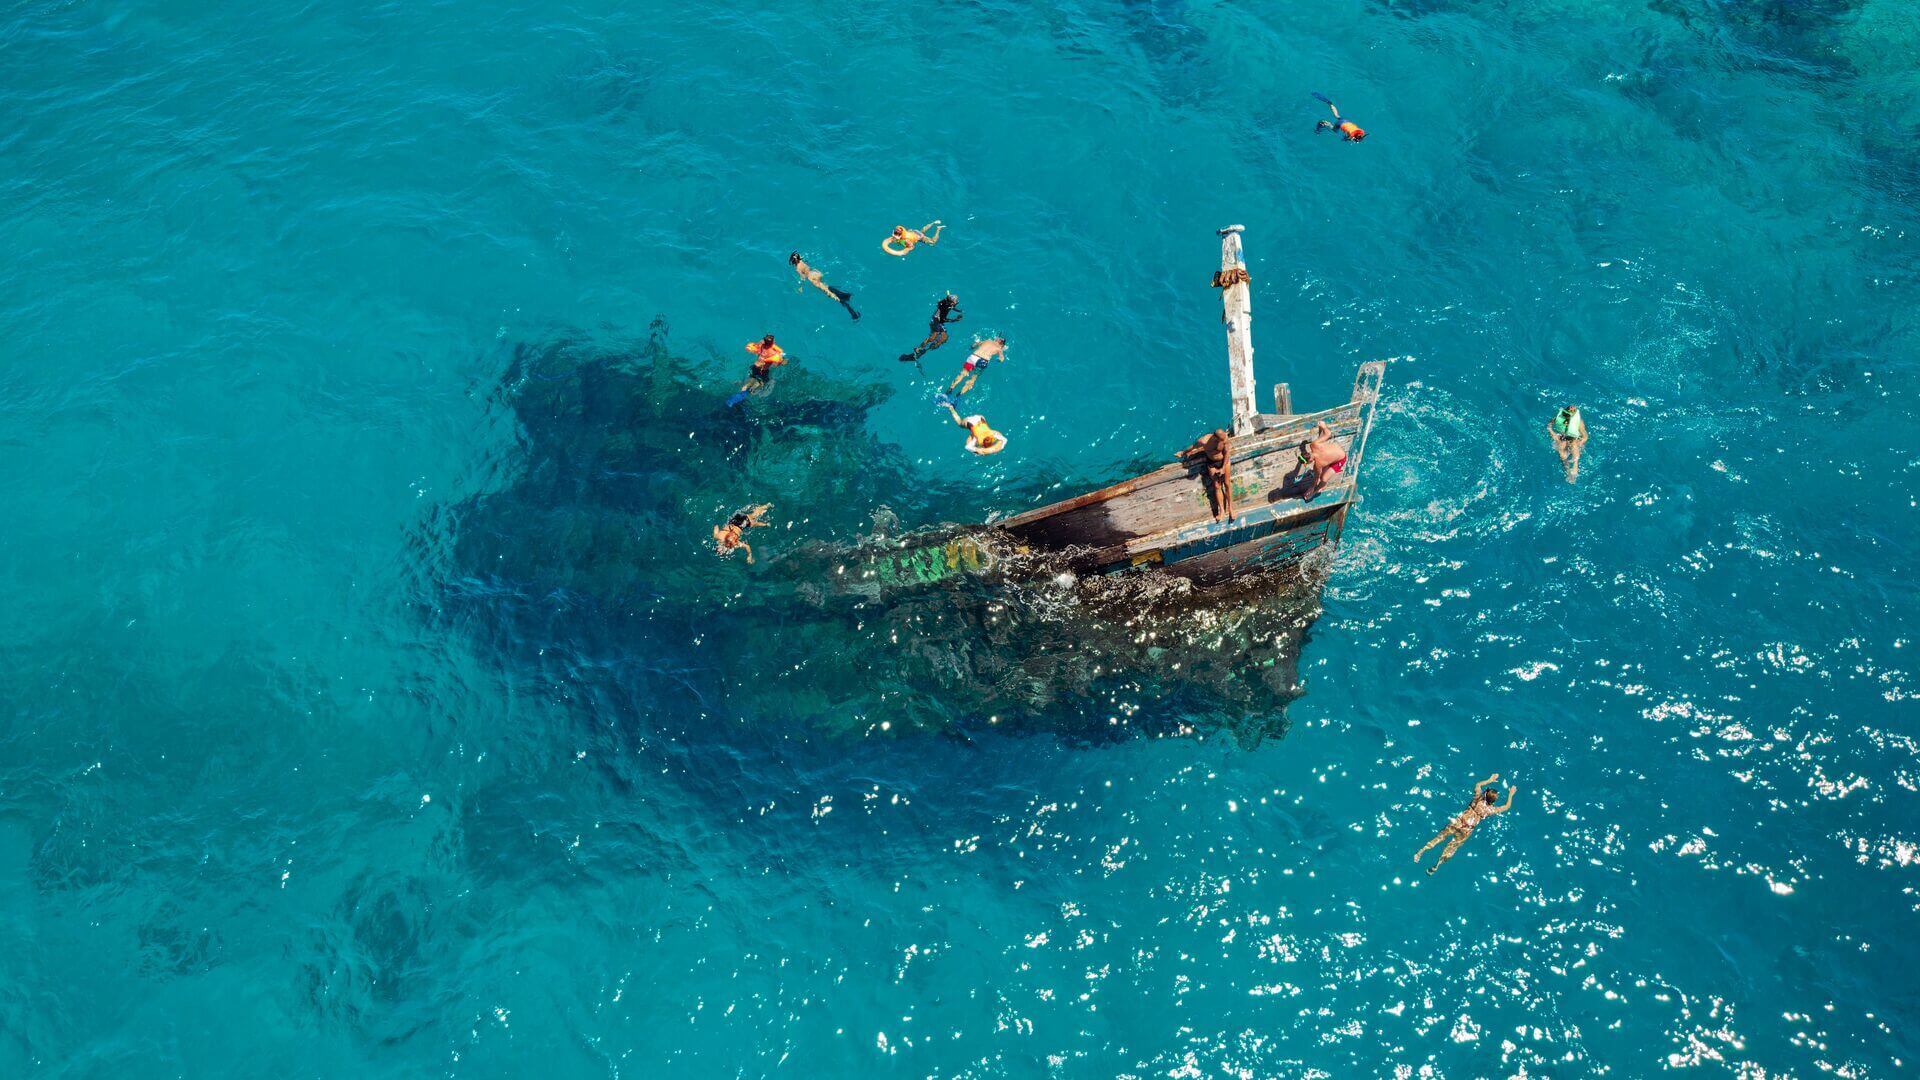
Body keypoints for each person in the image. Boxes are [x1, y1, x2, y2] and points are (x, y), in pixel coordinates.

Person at [1414, 773, 1517, 875]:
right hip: (1467, 830)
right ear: (1493, 802)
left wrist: (1489, 780)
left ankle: (1420, 852)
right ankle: (1436, 866)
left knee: (1440, 837)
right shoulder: (1490, 810)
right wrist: (1511, 794)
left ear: (1485, 794)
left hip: (1459, 822)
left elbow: (1478, 785)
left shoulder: (1477, 799)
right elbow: (1506, 806)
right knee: (1451, 848)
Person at [1179, 428, 1234, 521]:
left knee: (1227, 484)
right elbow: (1193, 447)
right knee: (1217, 486)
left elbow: (1227, 453)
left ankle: (1231, 509)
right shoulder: (1204, 441)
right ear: (1215, 438)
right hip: (1212, 463)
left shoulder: (1224, 438)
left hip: (1224, 462)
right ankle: (1222, 511)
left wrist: (1223, 468)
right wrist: (1183, 453)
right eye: (1221, 440)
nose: (1224, 441)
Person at [789, 252, 859, 320]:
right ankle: (844, 295)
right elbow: (807, 264)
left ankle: (852, 313)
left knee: (830, 294)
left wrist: (800, 287)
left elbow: (803, 278)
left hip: (813, 279)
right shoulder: (802, 261)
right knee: (826, 286)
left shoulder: (797, 268)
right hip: (815, 273)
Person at [901, 293, 964, 364]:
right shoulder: (945, 308)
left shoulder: (946, 302)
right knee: (933, 337)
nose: (956, 303)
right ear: (951, 302)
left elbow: (947, 305)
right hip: (936, 321)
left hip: (938, 321)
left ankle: (926, 350)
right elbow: (943, 320)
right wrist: (955, 320)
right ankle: (918, 349)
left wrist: (958, 310)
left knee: (944, 338)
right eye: (955, 302)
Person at [1298, 421, 1349, 498]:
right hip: (1337, 449)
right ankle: (1321, 427)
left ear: (1309, 461)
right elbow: (1328, 434)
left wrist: (1312, 488)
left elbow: (1316, 479)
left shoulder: (1318, 465)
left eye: (1306, 464)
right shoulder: (1313, 444)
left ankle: (1316, 491)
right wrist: (1323, 426)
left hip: (1341, 458)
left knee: (1323, 478)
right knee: (1320, 440)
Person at [939, 399, 1006, 455]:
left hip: (980, 418)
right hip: (970, 422)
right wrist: (977, 451)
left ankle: (952, 407)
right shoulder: (977, 439)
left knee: (975, 430)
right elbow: (967, 446)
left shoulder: (993, 434)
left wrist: (1001, 446)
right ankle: (950, 407)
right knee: (959, 423)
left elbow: (1004, 439)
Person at [1548, 405, 1588, 482]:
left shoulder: (1579, 422)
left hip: (1574, 439)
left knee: (1574, 444)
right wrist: (1554, 435)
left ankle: (1575, 464)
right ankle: (1567, 470)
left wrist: (1581, 442)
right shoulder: (1558, 418)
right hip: (1562, 438)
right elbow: (1549, 427)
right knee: (1561, 447)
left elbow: (1585, 436)